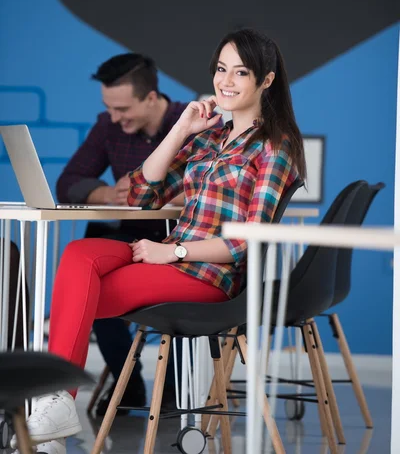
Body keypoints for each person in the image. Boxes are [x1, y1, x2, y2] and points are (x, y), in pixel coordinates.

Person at [13, 28, 306, 454]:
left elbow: (246, 242)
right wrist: (182, 129)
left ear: (266, 80)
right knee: (78, 254)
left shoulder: (274, 148)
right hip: (171, 258)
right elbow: (140, 195)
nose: (225, 81)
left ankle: (56, 413)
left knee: (81, 292)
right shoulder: (207, 139)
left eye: (240, 72)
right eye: (221, 69)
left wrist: (175, 252)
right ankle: (57, 414)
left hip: (208, 273)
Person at [56, 53, 190, 415]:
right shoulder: (108, 126)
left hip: (177, 243)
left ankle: (175, 392)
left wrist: (170, 195)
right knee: (87, 279)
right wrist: (106, 193)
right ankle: (126, 382)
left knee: (176, 299)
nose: (115, 118)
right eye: (109, 108)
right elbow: (67, 182)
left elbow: (213, 192)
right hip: (124, 239)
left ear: (151, 97)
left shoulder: (189, 124)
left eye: (122, 109)